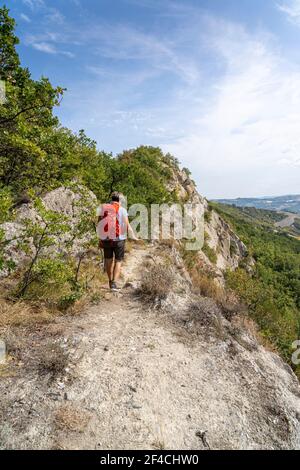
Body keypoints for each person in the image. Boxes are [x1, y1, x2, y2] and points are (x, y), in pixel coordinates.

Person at [96, 192, 137, 291]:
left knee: (108, 260)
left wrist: (100, 238)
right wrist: (134, 236)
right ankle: (114, 283)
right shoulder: (122, 210)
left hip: (106, 239)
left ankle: (110, 281)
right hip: (119, 239)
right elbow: (127, 225)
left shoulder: (103, 209)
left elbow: (99, 224)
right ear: (119, 200)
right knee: (118, 260)